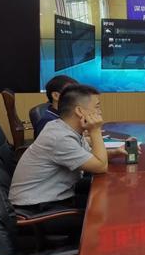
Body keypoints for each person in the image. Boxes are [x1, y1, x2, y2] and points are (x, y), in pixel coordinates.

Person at [10, 84, 126, 212]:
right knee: (108, 210)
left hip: (54, 197)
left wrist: (114, 152)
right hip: (37, 207)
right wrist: (95, 130)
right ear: (80, 111)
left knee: (112, 192)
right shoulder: (59, 137)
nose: (100, 112)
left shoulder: (65, 128)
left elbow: (90, 156)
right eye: (97, 107)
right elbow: (100, 167)